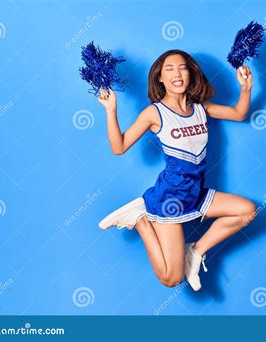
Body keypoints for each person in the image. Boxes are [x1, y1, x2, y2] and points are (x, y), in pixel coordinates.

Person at [98, 49, 256, 291]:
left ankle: (196, 251)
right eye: (169, 69)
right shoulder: (155, 113)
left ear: (191, 74)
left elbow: (239, 113)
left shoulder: (201, 108)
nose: (177, 73)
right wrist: (111, 110)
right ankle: (140, 218)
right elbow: (119, 147)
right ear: (160, 78)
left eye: (182, 67)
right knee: (172, 279)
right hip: (169, 199)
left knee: (247, 211)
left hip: (196, 194)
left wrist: (245, 88)